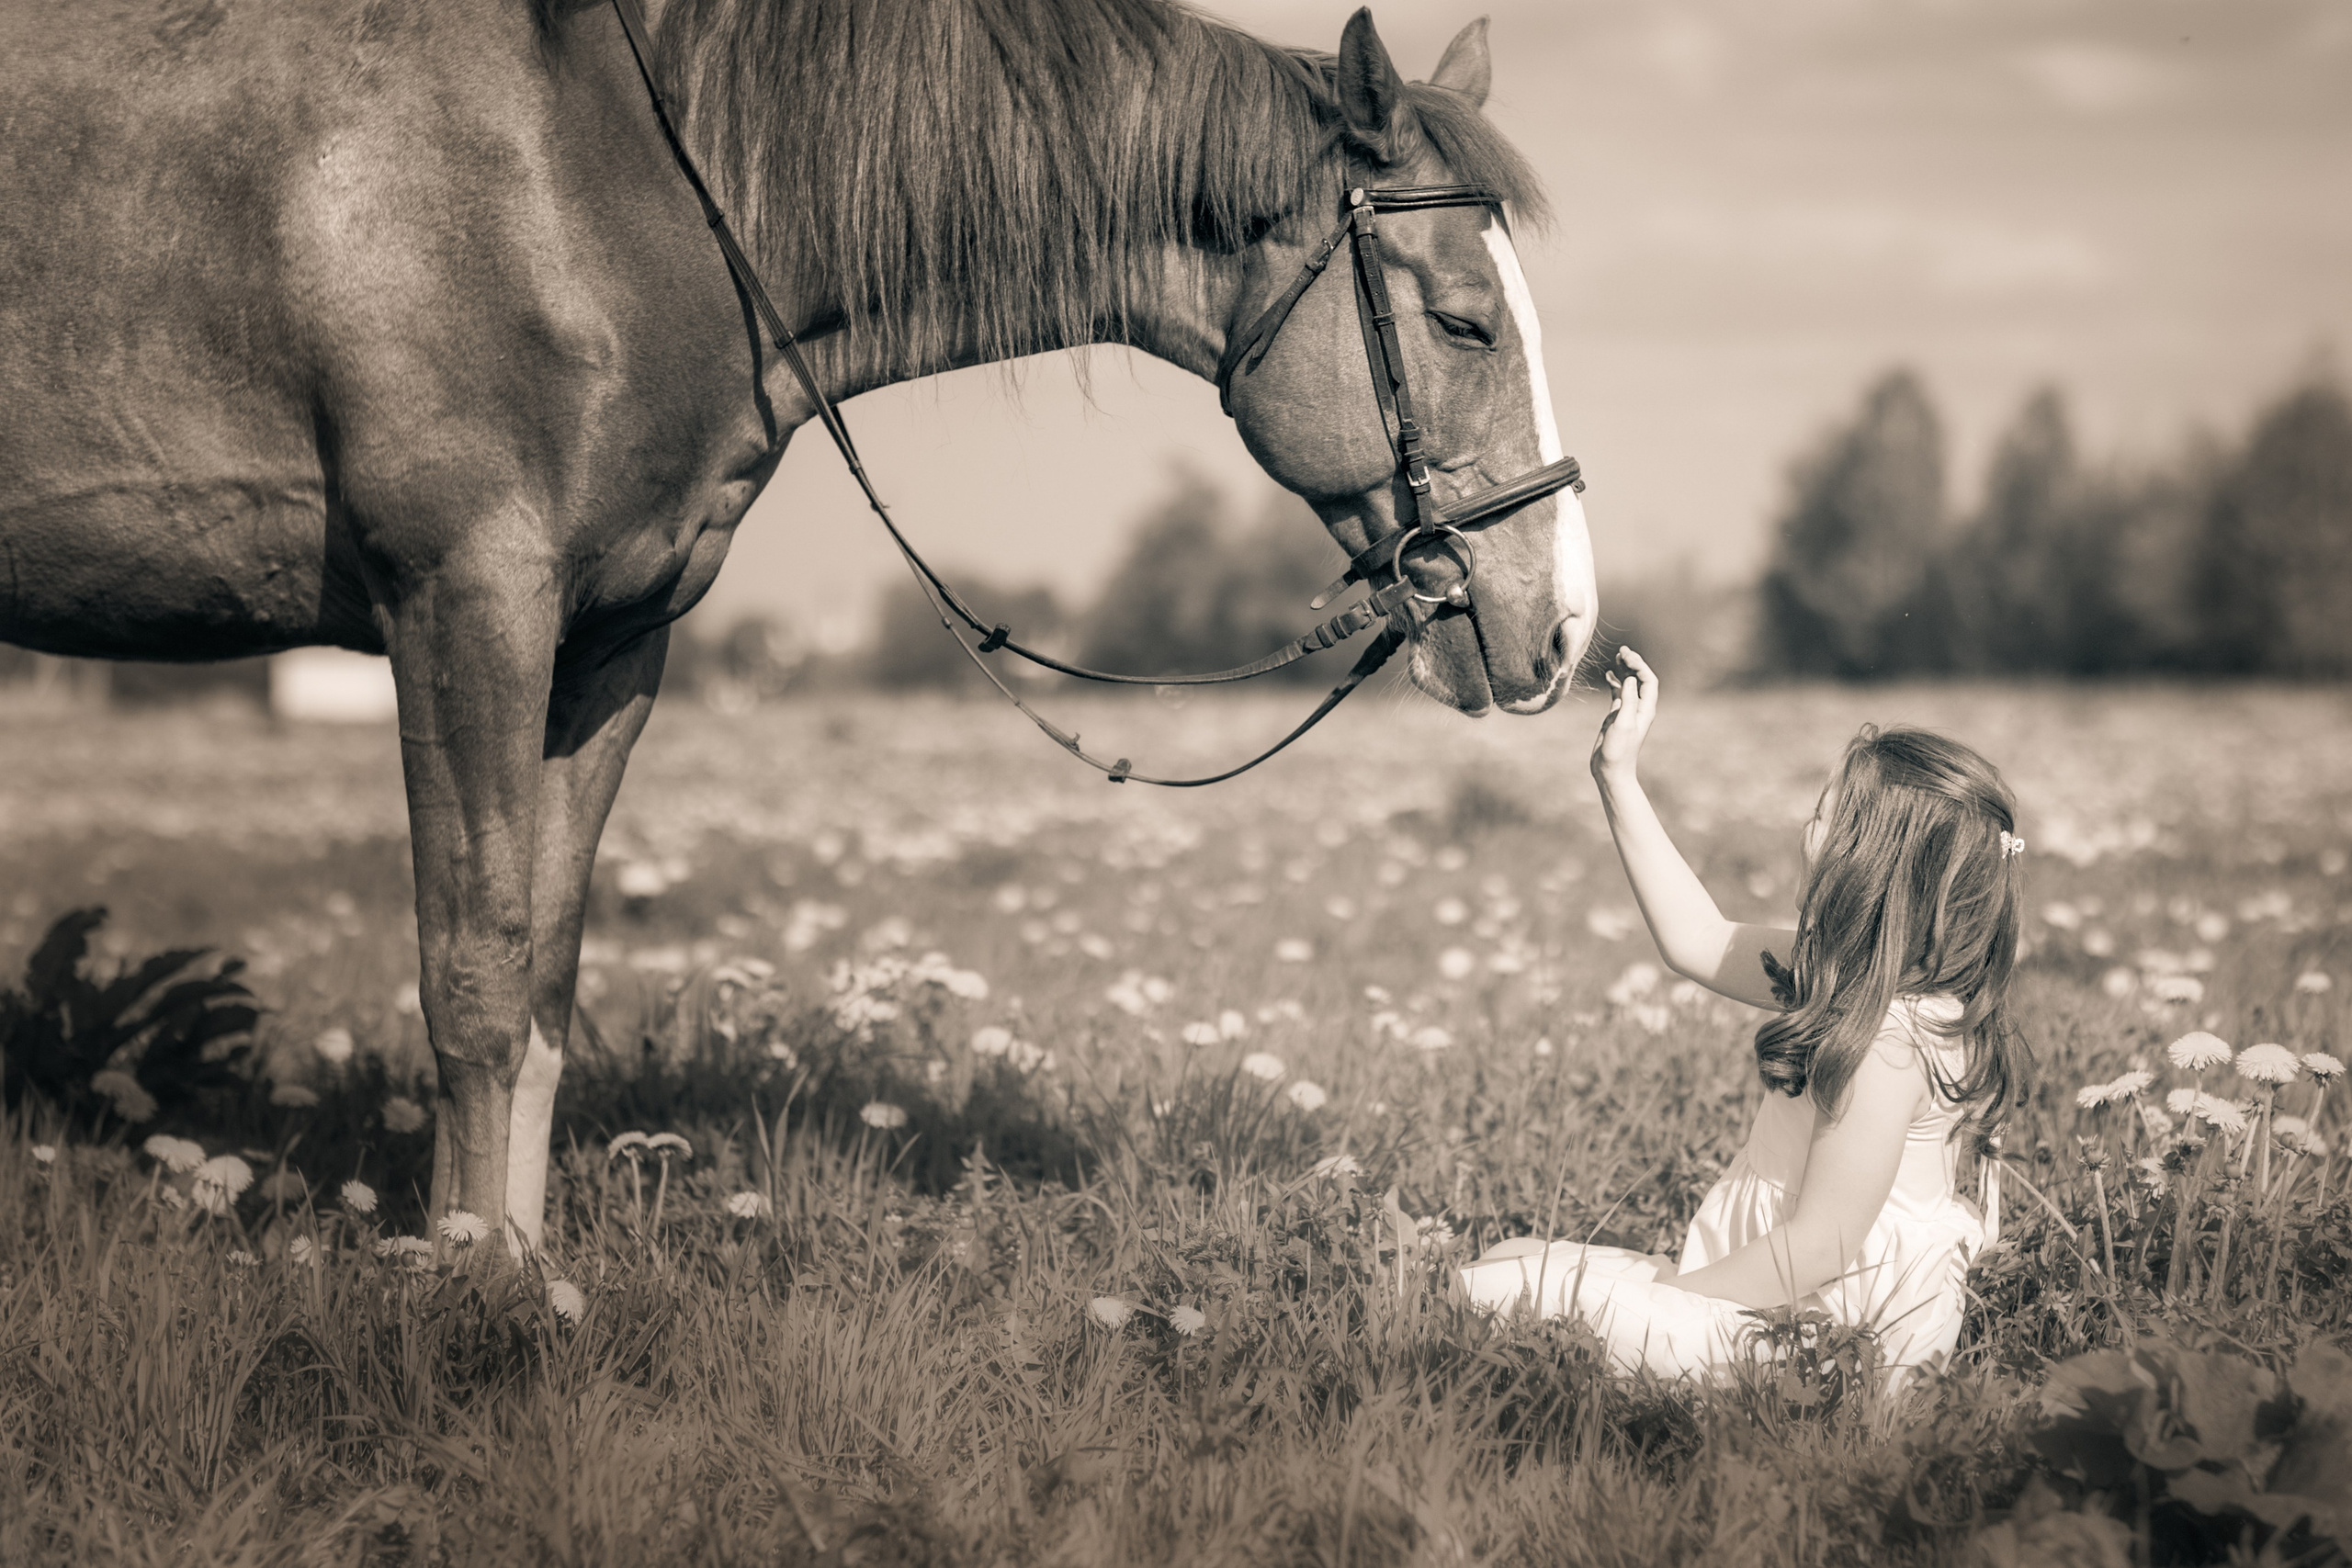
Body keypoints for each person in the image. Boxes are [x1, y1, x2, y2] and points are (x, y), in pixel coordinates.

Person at [1459, 648, 2030, 1382]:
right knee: (1510, 1259)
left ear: (1870, 864)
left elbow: (1820, 1246)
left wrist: (1666, 1296)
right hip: (1768, 1292)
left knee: (1484, 1295)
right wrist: (1617, 775)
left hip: (1813, 1340)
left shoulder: (1889, 1042)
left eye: (1826, 814)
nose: (1807, 824)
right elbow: (1696, 939)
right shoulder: (1853, 977)